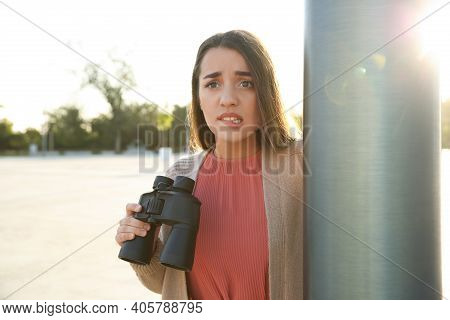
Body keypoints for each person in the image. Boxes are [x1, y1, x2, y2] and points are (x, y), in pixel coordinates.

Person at [115, 30, 304, 300]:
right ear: (199, 98)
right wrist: (140, 247)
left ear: (265, 92)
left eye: (245, 83)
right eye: (213, 84)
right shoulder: (180, 174)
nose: (227, 98)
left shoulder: (299, 165)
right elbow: (167, 284)